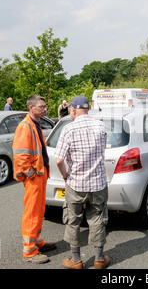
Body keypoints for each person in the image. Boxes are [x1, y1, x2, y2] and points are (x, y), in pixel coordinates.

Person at [55, 95, 110, 269]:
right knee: (98, 219)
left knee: (73, 220)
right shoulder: (101, 126)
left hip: (76, 184)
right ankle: (99, 259)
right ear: (87, 109)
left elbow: (58, 160)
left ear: (72, 109)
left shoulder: (68, 129)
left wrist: (65, 177)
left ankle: (76, 261)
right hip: (98, 183)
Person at [12, 95, 56, 264]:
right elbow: (20, 155)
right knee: (32, 213)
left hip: (40, 174)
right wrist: (30, 174)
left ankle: (37, 242)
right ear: (31, 107)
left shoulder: (34, 124)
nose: (44, 109)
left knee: (38, 211)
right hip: (34, 176)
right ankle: (30, 251)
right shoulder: (25, 126)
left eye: (45, 106)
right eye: (41, 107)